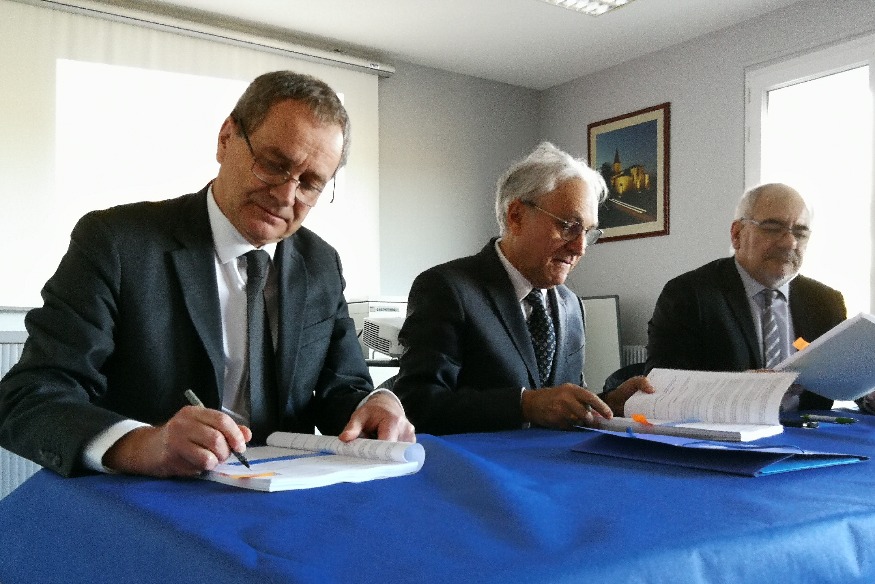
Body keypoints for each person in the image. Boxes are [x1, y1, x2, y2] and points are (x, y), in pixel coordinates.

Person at [0, 70, 414, 479]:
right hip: (148, 496)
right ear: (226, 138)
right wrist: (143, 444)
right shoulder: (117, 243)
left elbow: (343, 389)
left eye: (310, 184)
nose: (286, 195)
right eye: (273, 165)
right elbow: (31, 396)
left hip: (282, 494)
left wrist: (376, 405)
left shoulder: (320, 263)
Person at [392, 142, 652, 434]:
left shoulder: (571, 305)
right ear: (516, 216)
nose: (580, 247)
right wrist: (523, 405)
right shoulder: (447, 289)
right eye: (569, 226)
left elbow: (558, 405)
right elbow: (416, 405)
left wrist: (607, 405)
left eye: (588, 233)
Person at [646, 182, 855, 412]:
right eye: (772, 228)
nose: (790, 242)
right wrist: (741, 386)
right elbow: (662, 386)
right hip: (726, 428)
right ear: (737, 234)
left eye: (800, 232)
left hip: (810, 429)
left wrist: (868, 396)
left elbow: (846, 378)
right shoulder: (688, 294)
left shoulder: (826, 302)